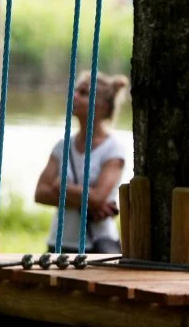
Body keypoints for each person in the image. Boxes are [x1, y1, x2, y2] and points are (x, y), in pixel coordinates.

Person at [34, 71, 129, 254]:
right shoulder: (62, 146)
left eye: (83, 93)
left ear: (103, 106)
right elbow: (40, 193)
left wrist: (60, 186)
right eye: (76, 91)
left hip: (97, 246)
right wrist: (89, 202)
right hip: (59, 243)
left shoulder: (113, 149)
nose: (74, 96)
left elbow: (98, 197)